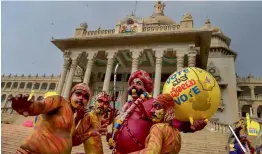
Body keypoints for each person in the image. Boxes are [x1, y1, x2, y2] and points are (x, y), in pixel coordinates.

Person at [108, 70, 207, 154]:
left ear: (146, 88)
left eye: (138, 83)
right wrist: (113, 136)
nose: (134, 86)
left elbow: (170, 121)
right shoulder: (127, 106)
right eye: (132, 83)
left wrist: (190, 126)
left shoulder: (153, 104)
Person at [10, 83, 90, 154]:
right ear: (71, 95)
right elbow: (42, 106)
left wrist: (87, 128)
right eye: (78, 94)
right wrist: (29, 106)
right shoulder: (59, 101)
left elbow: (71, 140)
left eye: (85, 97)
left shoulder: (72, 115)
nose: (81, 98)